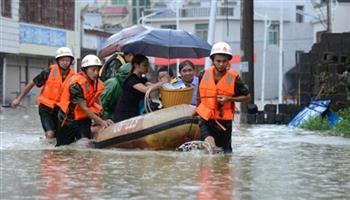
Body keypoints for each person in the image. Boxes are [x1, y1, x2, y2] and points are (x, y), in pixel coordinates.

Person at [196, 42, 251, 153]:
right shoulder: (203, 74)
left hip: (224, 122)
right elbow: (200, 95)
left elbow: (247, 97)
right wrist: (196, 110)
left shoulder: (235, 78)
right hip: (206, 118)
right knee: (209, 146)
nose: (221, 64)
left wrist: (229, 99)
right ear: (213, 60)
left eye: (224, 61)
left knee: (224, 153)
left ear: (228, 61)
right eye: (218, 61)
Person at [11, 47, 75, 139]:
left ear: (71, 61)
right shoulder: (48, 71)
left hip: (60, 110)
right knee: (50, 134)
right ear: (57, 61)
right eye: (62, 60)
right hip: (45, 108)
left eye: (67, 60)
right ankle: (47, 151)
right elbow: (32, 83)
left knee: (59, 136)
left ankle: (52, 148)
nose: (65, 62)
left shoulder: (74, 77)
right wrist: (18, 99)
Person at [56, 54, 113, 146]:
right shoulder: (76, 85)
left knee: (86, 142)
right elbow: (84, 108)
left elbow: (97, 98)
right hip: (68, 120)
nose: (96, 73)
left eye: (98, 70)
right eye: (93, 70)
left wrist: (103, 118)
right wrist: (101, 122)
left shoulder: (96, 83)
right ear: (85, 70)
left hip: (83, 119)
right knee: (63, 149)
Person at [113, 54, 168, 122]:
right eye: (144, 65)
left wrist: (162, 81)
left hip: (134, 113)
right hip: (124, 115)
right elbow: (146, 90)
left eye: (147, 65)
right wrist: (162, 83)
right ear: (136, 65)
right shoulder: (131, 79)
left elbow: (151, 86)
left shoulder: (142, 79)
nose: (147, 67)